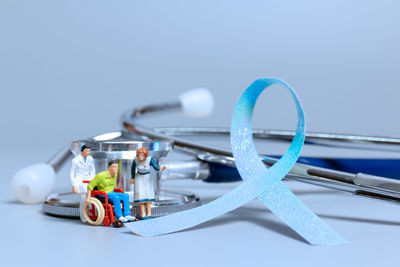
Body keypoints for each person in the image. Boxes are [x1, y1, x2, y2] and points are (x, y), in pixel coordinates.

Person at [130, 147, 166, 219]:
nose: (140, 157)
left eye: (142, 155)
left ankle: (149, 214)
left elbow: (155, 167)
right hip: (139, 178)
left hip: (147, 178)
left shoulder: (149, 159)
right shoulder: (136, 160)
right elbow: (132, 168)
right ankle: (143, 214)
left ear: (145, 155)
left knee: (148, 197)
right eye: (139, 155)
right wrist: (133, 177)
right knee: (141, 197)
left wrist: (160, 169)